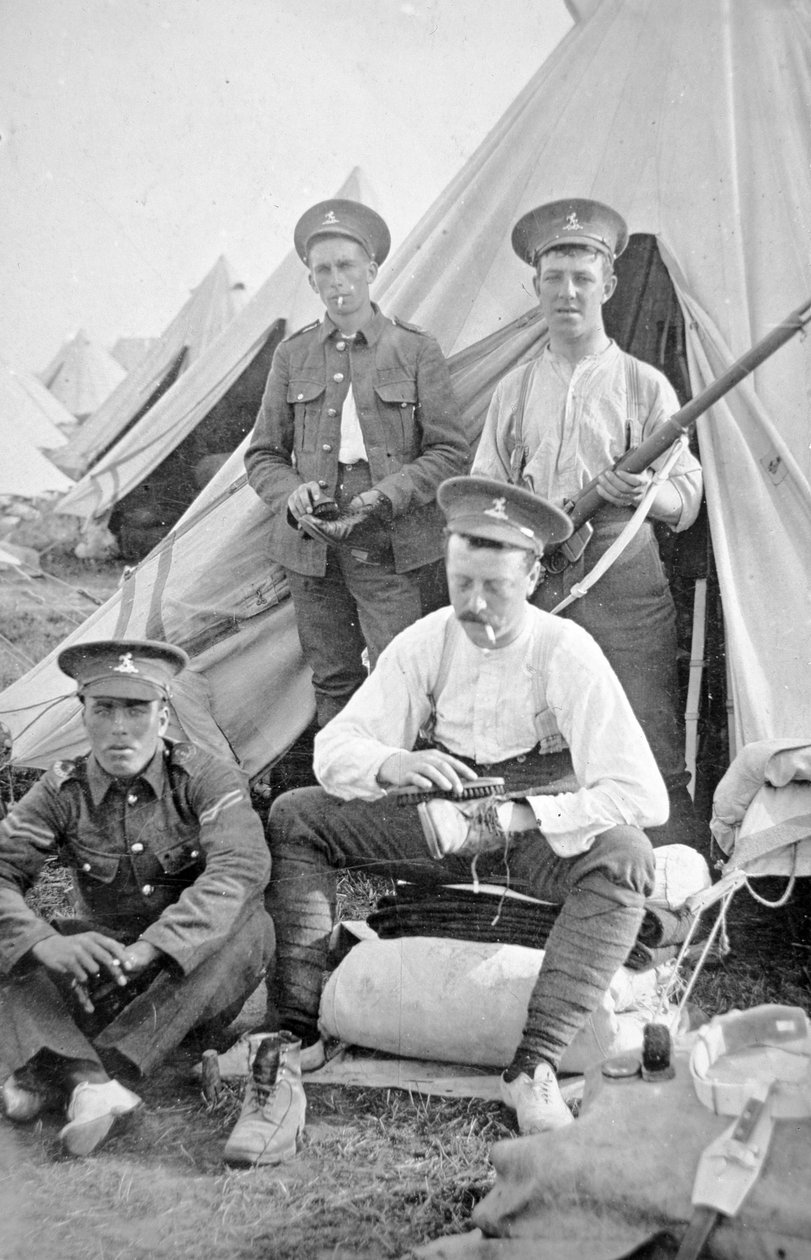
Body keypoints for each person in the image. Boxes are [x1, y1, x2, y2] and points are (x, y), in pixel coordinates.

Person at [222, 476, 666, 1160]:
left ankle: (535, 1063)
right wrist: (391, 763)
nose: (476, 604)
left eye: (495, 587)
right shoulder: (427, 638)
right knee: (297, 816)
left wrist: (518, 813)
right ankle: (297, 1025)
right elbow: (336, 749)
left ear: (532, 576)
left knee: (627, 857)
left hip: (531, 833)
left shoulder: (565, 650)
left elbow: (640, 792)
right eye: (461, 584)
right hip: (435, 823)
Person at [472, 199, 703, 846]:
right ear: (535, 287)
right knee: (537, 745)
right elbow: (484, 496)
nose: (567, 292)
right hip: (539, 583)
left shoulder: (643, 385)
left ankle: (670, 891)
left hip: (625, 583)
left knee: (648, 743)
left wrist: (638, 494)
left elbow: (686, 501)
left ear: (607, 285)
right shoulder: (512, 390)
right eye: (554, 278)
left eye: (582, 277)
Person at [0, 640, 273, 1158]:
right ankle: (93, 1086)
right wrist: (40, 943)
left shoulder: (207, 778)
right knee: (8, 944)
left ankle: (70, 1070)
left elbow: (241, 869)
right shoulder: (62, 790)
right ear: (83, 716)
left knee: (250, 925)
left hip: (188, 979)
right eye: (104, 709)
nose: (119, 728)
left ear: (164, 716)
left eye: (136, 709)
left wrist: (154, 946)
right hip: (102, 974)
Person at [245, 198, 470, 727]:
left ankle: (399, 801)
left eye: (346, 265)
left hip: (388, 541)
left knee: (404, 674)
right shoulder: (292, 355)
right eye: (322, 270)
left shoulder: (414, 349)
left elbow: (450, 451)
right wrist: (290, 494)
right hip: (311, 545)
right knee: (333, 679)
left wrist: (387, 495)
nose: (336, 280)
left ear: (371, 270)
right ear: (310, 282)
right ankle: (343, 797)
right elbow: (262, 454)